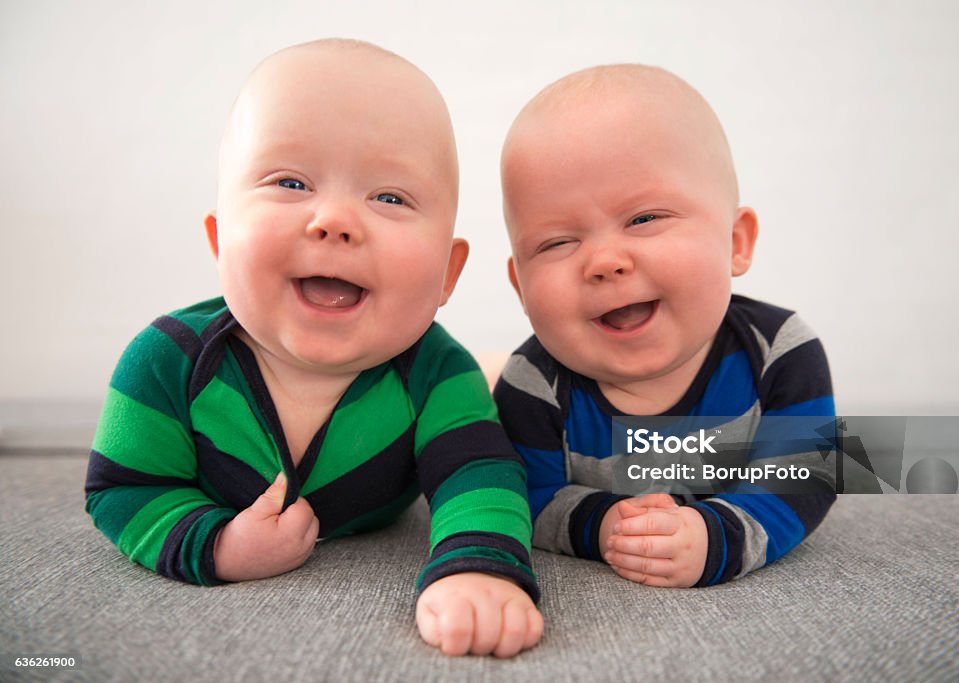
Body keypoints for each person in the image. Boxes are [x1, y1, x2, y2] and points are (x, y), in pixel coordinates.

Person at [85, 39, 542, 658]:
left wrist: (478, 569)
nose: (334, 219)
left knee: (490, 407)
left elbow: (479, 472)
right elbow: (123, 488)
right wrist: (217, 544)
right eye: (291, 182)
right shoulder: (168, 361)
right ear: (221, 243)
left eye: (389, 197)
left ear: (446, 275)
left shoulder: (436, 373)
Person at [494, 64, 837, 588]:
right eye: (558, 242)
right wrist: (605, 524)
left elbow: (806, 478)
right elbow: (527, 495)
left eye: (644, 218)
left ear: (735, 242)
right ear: (520, 287)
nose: (605, 261)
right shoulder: (533, 382)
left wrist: (717, 537)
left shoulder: (778, 351)